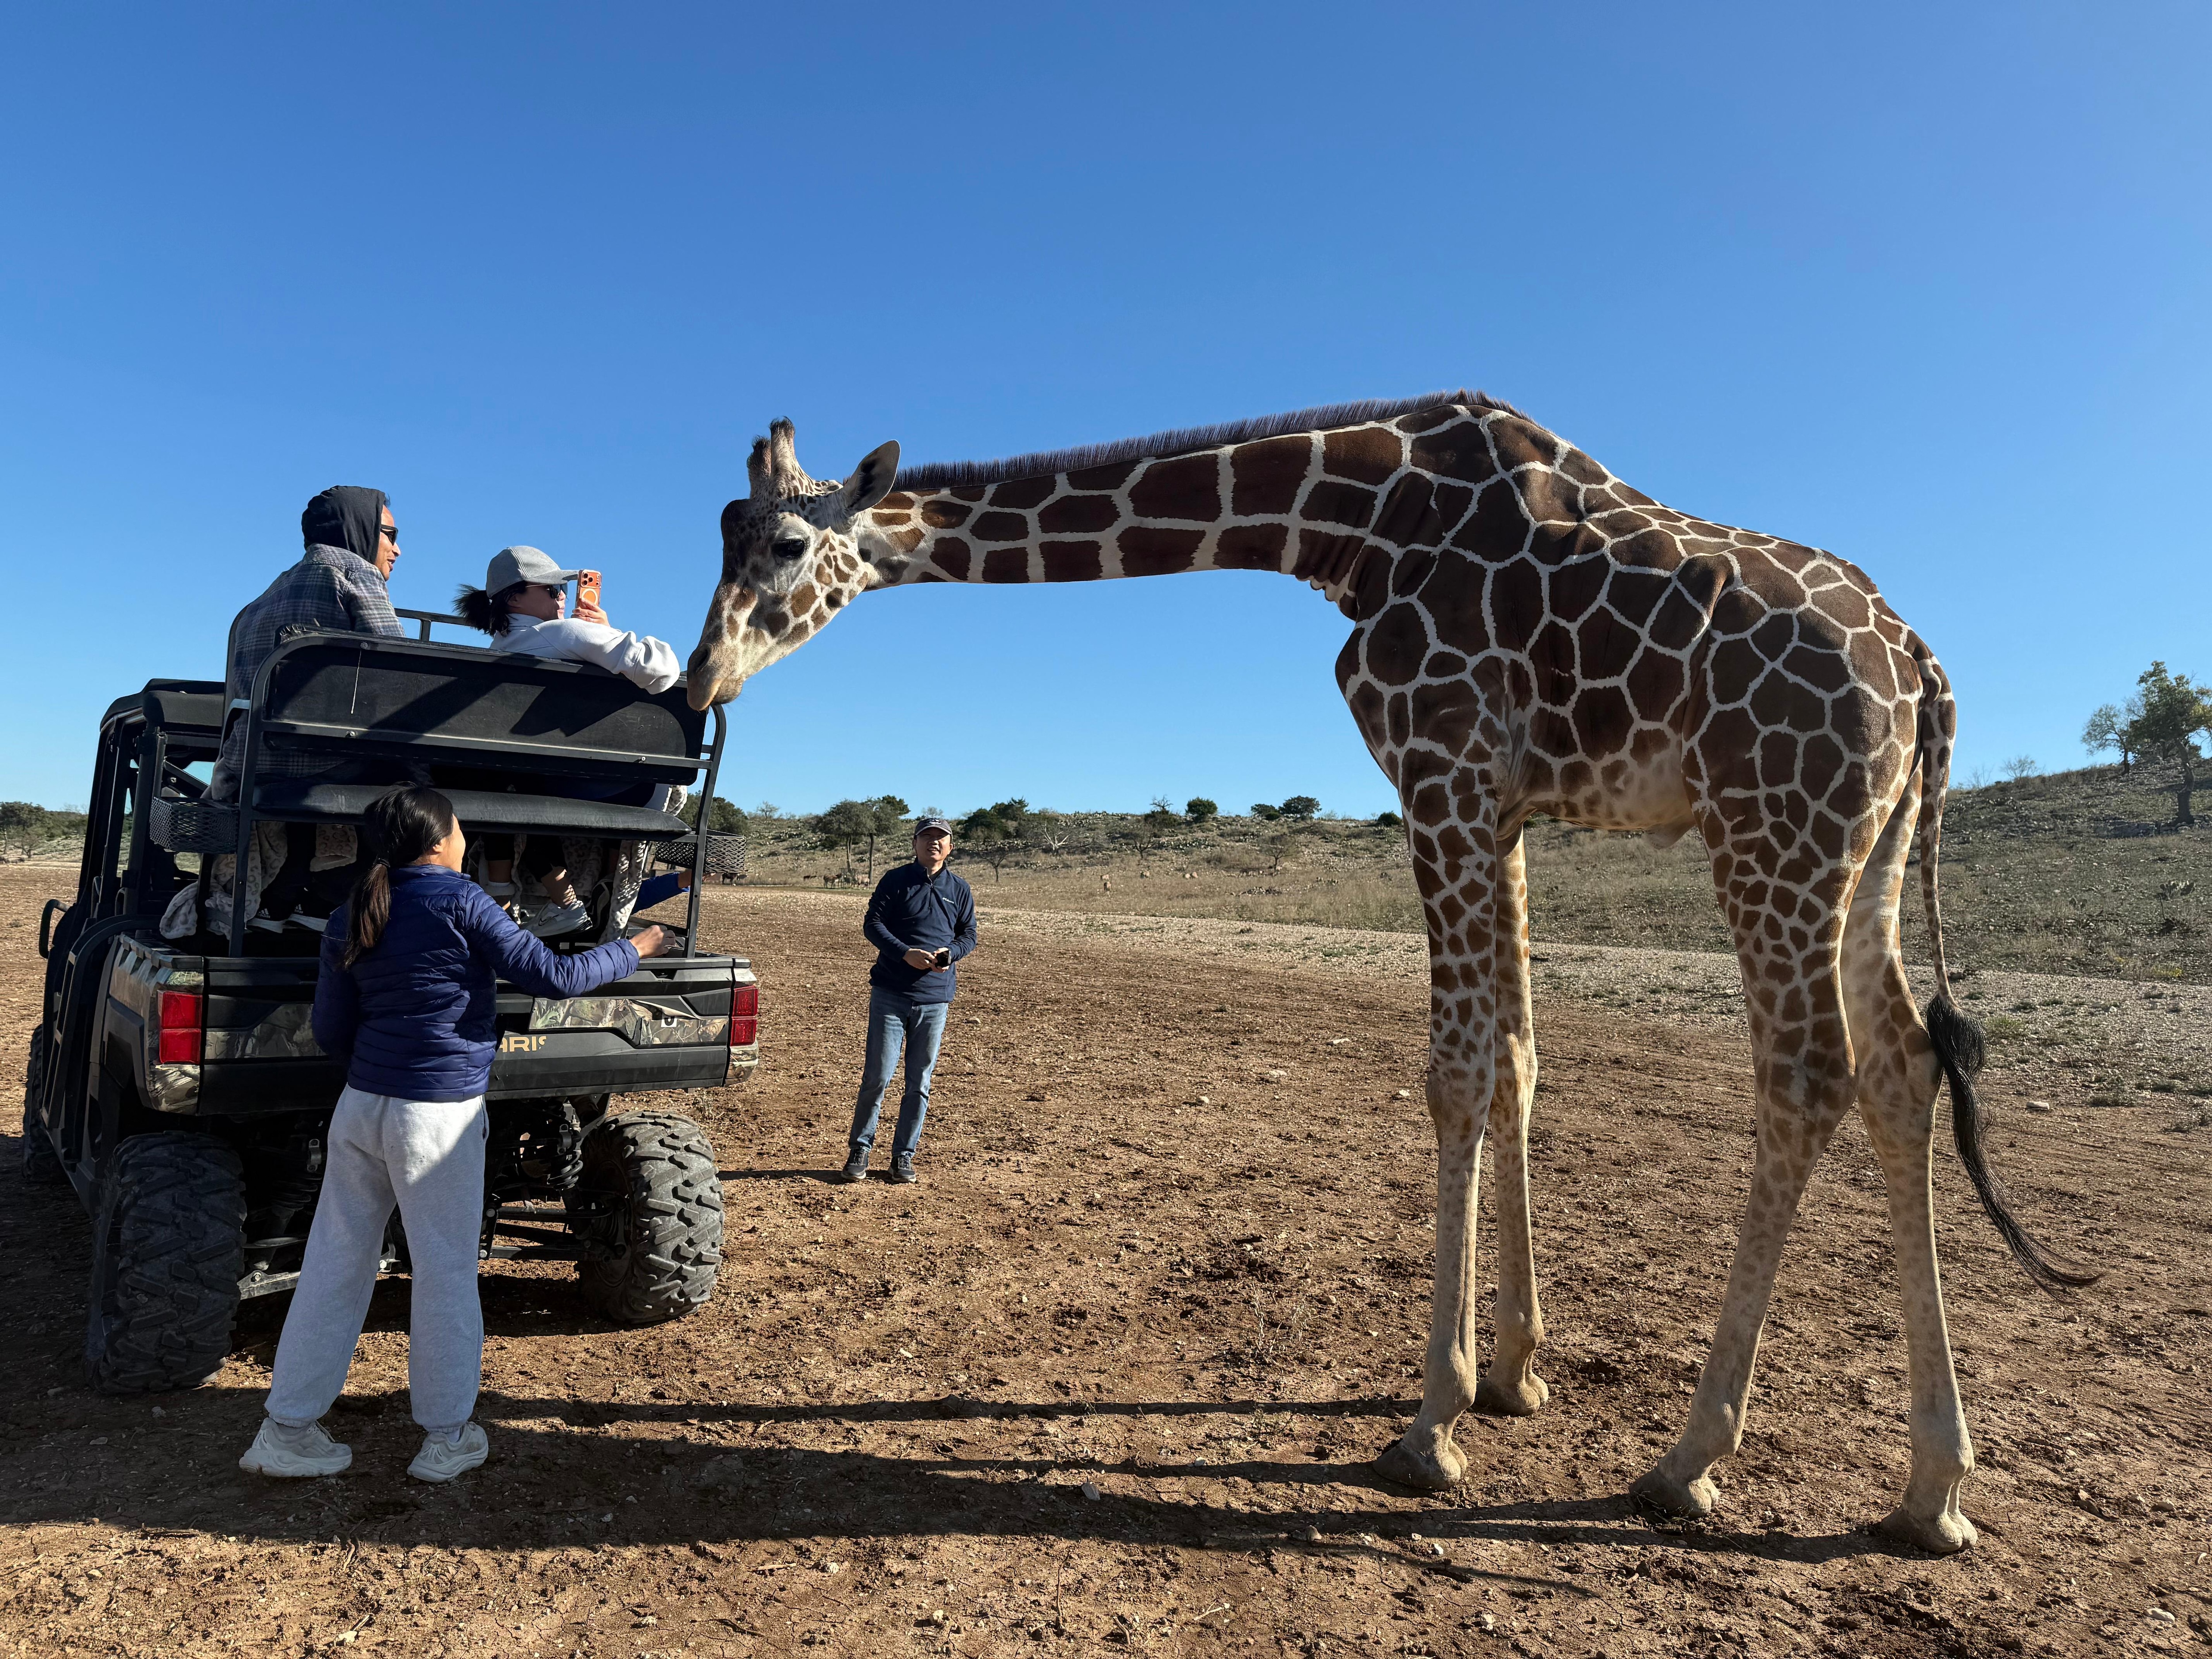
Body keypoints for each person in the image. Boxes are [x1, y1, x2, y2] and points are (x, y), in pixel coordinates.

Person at [238, 785, 670, 1484]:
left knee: (334, 1266)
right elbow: (556, 976)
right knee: (444, 1274)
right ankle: (445, 1438)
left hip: (362, 1106)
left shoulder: (354, 908)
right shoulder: (463, 900)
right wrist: (634, 947)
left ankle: (285, 1430)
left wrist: (380, 1069)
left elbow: (331, 1028)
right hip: (436, 1117)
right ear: (440, 839)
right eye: (462, 826)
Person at [208, 487, 412, 930]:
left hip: (255, 758)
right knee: (426, 779)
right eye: (390, 534)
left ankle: (289, 898)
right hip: (318, 759)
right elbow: (401, 667)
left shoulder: (272, 590)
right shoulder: (353, 572)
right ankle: (376, 906)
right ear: (358, 529)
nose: (397, 549)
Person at [454, 545, 684, 934]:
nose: (562, 596)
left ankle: (524, 900)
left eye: (562, 589)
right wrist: (607, 631)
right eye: (552, 589)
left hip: (539, 781)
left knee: (509, 785)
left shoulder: (501, 649)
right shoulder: (566, 634)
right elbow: (661, 670)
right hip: (611, 782)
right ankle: (599, 897)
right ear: (514, 598)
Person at [842, 817, 977, 1185]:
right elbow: (873, 925)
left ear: (950, 847)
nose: (934, 842)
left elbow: (969, 935)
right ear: (914, 844)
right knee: (878, 1076)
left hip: (935, 999)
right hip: (891, 993)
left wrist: (951, 953)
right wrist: (904, 953)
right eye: (926, 837)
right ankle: (860, 1149)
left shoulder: (960, 889)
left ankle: (903, 1155)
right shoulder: (896, 880)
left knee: (919, 1081)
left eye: (941, 838)